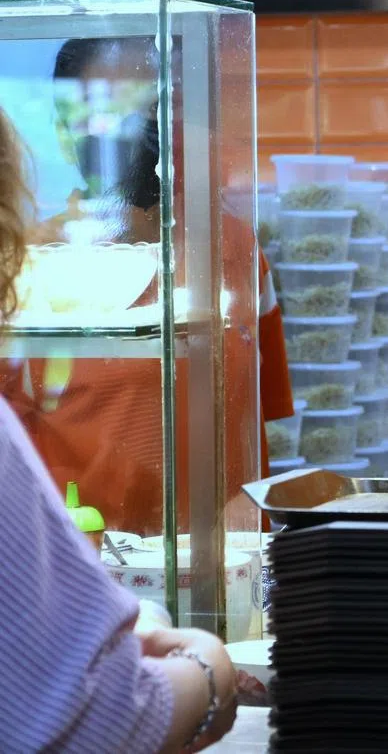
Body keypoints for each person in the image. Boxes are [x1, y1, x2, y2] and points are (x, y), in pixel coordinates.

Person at [0, 104, 238, 752]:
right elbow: (99, 720)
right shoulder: (51, 267)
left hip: (179, 566)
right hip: (105, 569)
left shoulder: (237, 257)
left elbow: (253, 430)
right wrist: (209, 670)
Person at [2, 35, 291, 536]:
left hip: (215, 575)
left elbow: (257, 426)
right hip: (85, 572)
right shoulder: (28, 266)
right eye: (105, 106)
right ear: (66, 126)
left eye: (153, 105)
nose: (135, 129)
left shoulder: (237, 254)